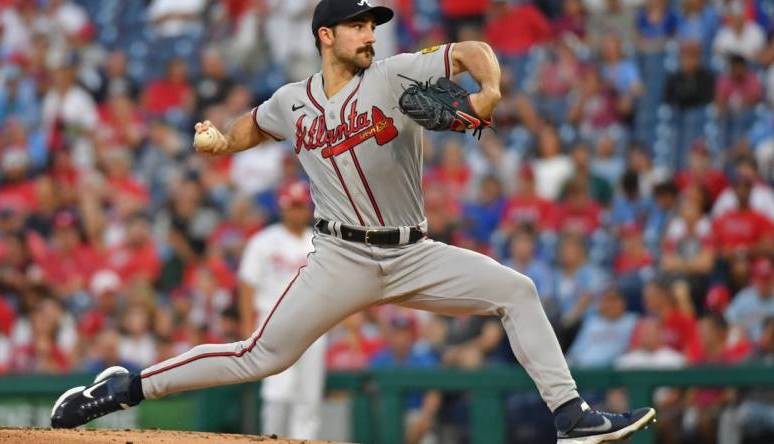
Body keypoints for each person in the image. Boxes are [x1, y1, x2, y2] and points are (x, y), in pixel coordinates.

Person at [50, 1, 655, 442]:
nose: (370, 34)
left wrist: (489, 90)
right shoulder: (293, 100)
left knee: (517, 291)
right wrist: (219, 143)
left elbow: (473, 53)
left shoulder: (395, 75)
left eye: (373, 25)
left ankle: (571, 416)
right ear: (325, 35)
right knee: (259, 357)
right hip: (340, 257)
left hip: (414, 252)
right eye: (358, 25)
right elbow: (252, 126)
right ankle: (125, 388)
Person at [237, 181, 325, 440]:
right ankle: (271, 438)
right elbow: (247, 284)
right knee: (277, 390)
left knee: (309, 395)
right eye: (292, 206)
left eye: (300, 206)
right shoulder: (264, 241)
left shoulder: (318, 241)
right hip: (273, 323)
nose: (297, 212)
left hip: (313, 325)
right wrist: (246, 325)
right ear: (283, 208)